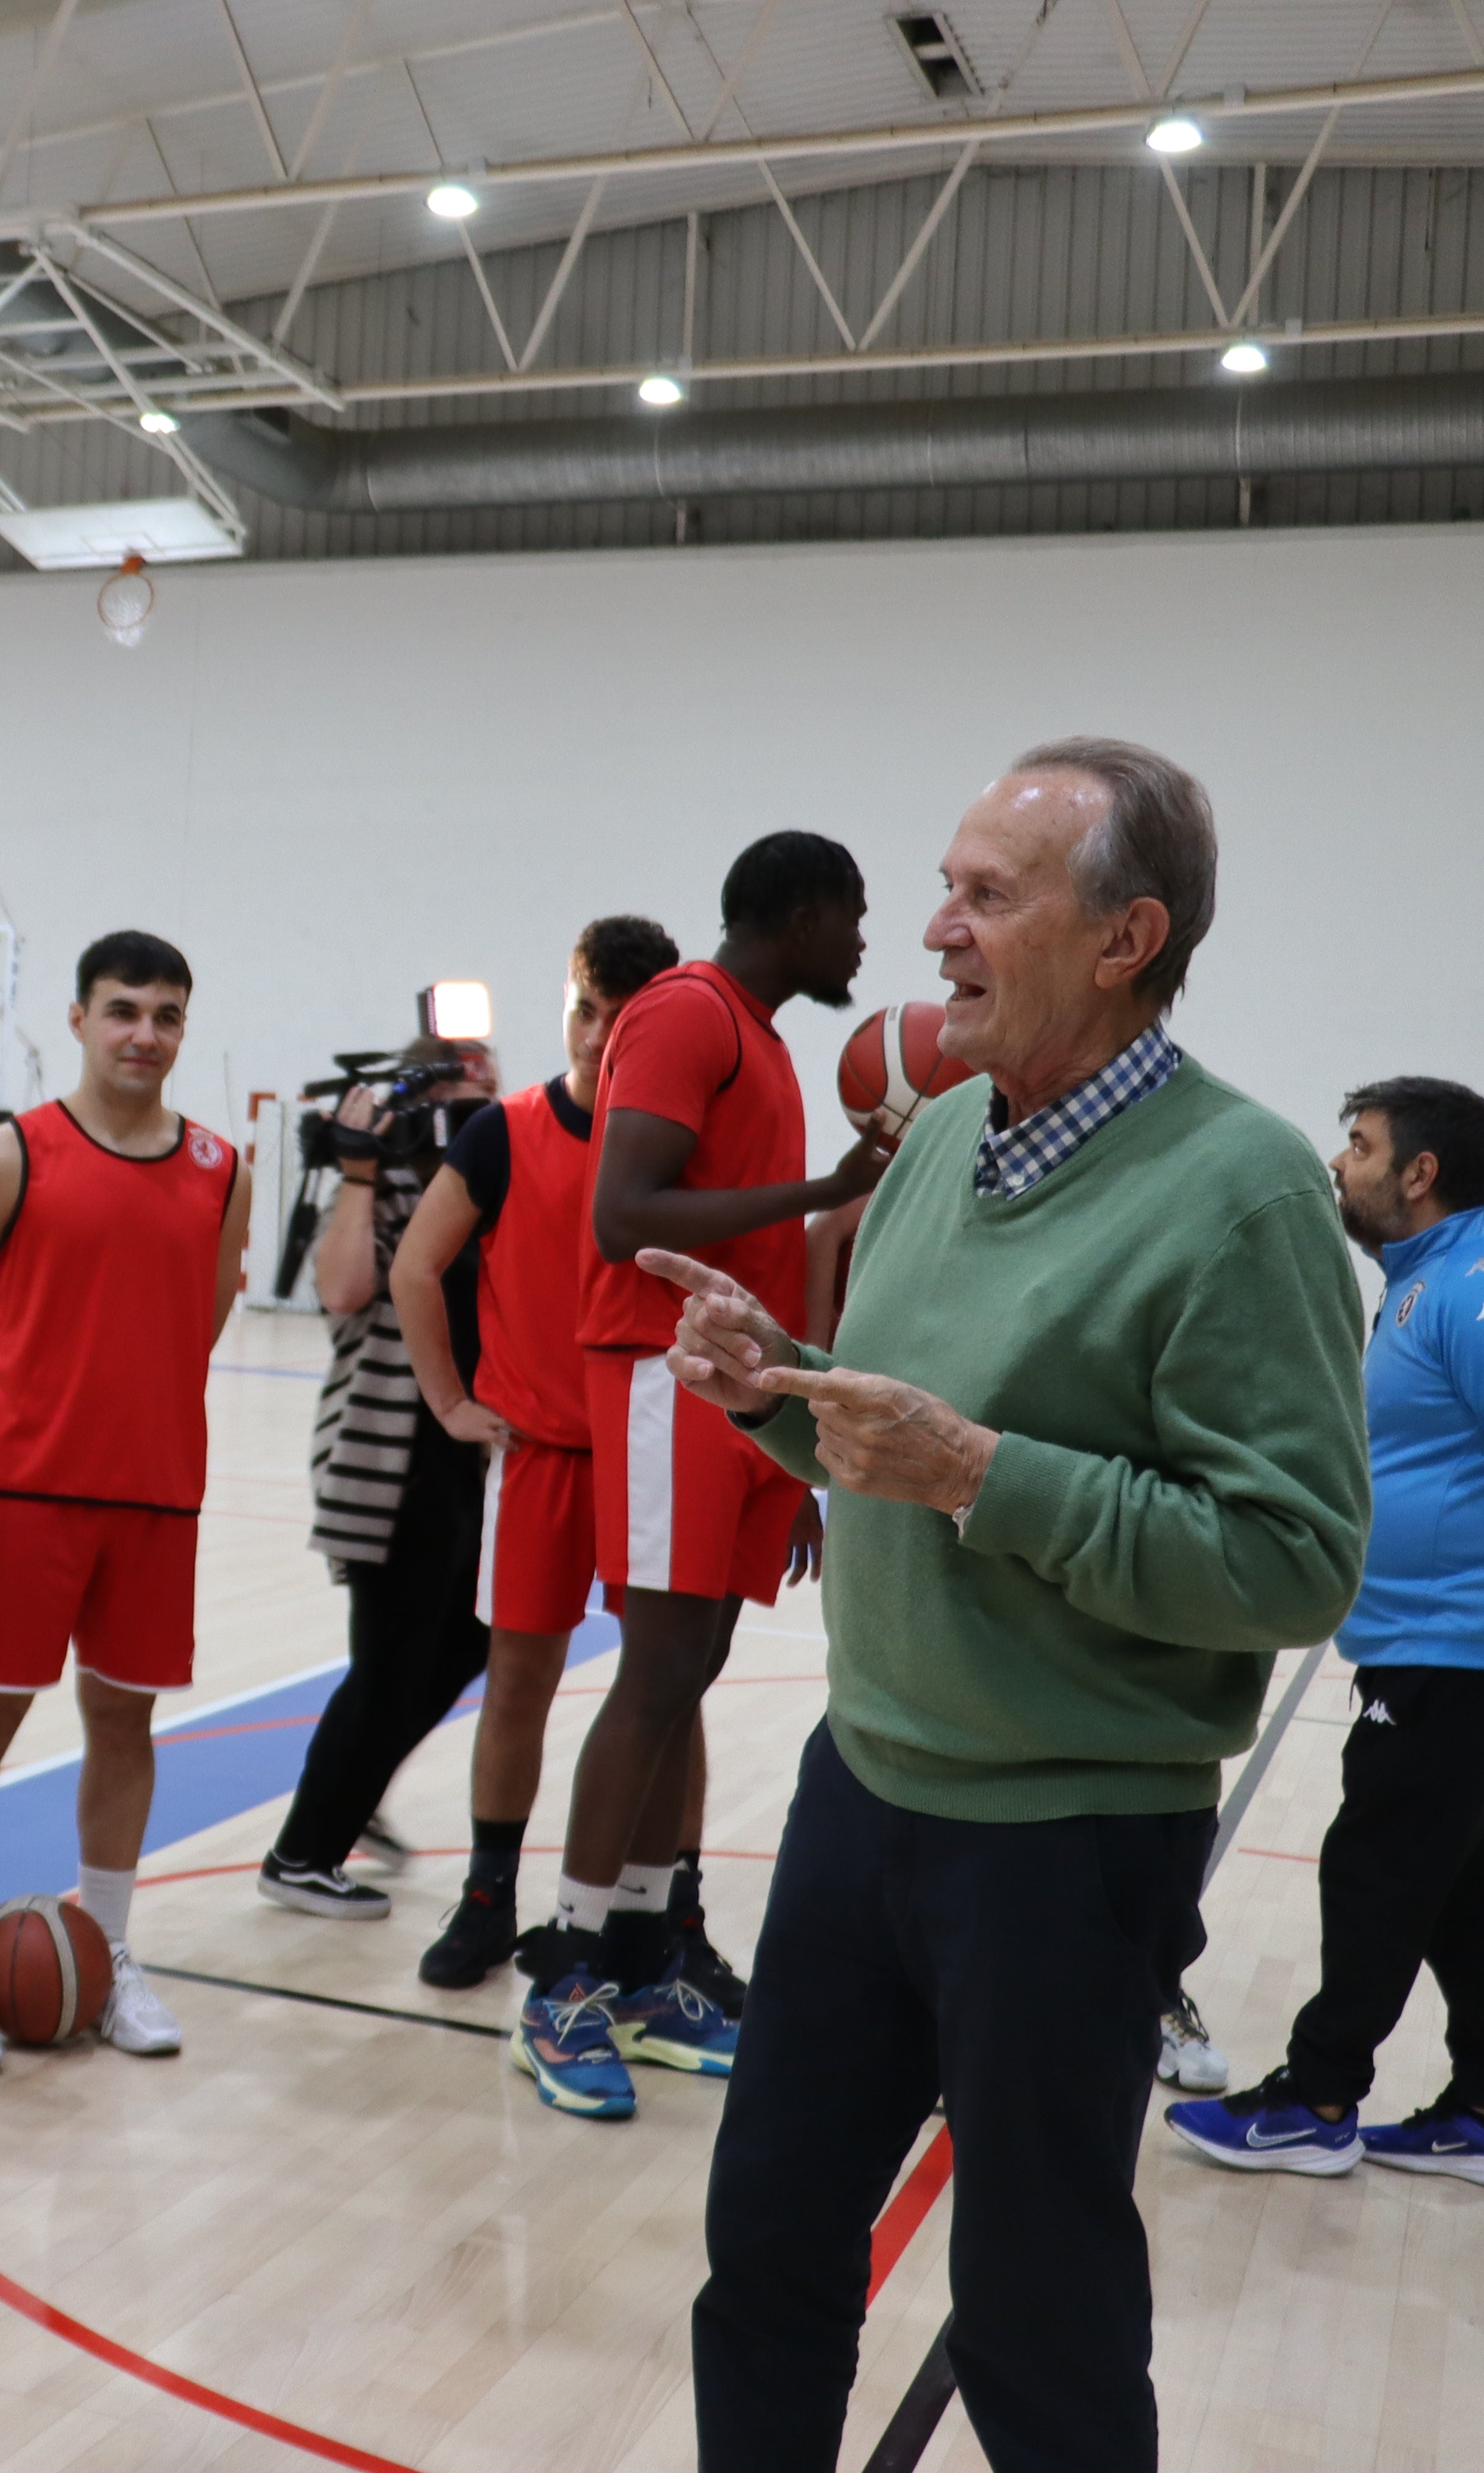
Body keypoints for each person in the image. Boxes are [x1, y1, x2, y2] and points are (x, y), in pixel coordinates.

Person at [663, 738, 1368, 2473]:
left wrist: (985, 1473)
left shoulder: (1247, 1191)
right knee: (763, 2256)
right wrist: (777, 1386)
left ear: (1126, 938)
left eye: (986, 896)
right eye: (946, 887)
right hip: (863, 1795)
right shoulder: (943, 1135)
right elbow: (900, 1436)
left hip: (1064, 1843)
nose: (934, 931)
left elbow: (1291, 1562)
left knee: (1042, 2321)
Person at [1166, 1077, 1484, 2192]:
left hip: (1469, 1647)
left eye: (1360, 1145)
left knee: (1377, 1866)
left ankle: (1317, 2097)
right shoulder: (1426, 1284)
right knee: (1464, 1875)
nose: (1341, 1165)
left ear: (1420, 1174)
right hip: (1446, 1641)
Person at [514, 835, 879, 2118]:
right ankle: (560, 1974)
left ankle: (638, 1951)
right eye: (853, 915)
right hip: (664, 1371)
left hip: (733, 1390)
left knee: (692, 1669)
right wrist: (821, 1185)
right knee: (659, 1669)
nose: (863, 941)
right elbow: (623, 1213)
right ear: (795, 910)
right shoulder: (684, 1012)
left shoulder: (761, 1038)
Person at [383, 917, 770, 2003]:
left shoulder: (677, 1141)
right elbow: (418, 1268)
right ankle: (489, 1897)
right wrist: (452, 1402)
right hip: (549, 1453)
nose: (603, 1036)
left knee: (671, 1686)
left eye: (624, 1017)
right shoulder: (505, 1133)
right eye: (588, 1011)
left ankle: (672, 1912)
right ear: (568, 1006)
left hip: (660, 1437)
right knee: (521, 1682)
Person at [0, 932, 250, 2070]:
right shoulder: (11, 1156)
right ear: (80, 1020)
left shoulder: (221, 1168)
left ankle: (107, 1952)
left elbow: (200, 1319)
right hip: (25, 1487)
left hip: (155, 1491)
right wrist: (16, 1415)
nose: (144, 1033)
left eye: (165, 1015)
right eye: (123, 1011)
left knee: (124, 1721)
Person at [255, 1032, 496, 1920]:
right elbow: (344, 1290)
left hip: (469, 1451)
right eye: (464, 1079)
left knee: (469, 1641)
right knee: (390, 1660)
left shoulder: (490, 1185)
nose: (482, 1097)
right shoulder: (398, 1182)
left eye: (490, 1079)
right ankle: (302, 1854)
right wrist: (360, 1174)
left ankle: (350, 1798)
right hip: (388, 1452)